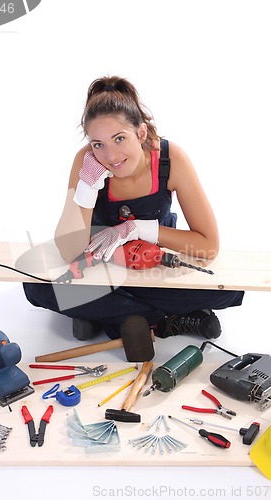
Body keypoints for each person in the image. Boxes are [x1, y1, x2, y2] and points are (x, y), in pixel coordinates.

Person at [23, 76, 244, 340]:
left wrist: (137, 228)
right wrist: (87, 187)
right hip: (101, 270)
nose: (111, 156)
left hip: (153, 268)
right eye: (98, 144)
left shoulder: (170, 159)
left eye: (119, 138)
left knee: (227, 290)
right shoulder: (87, 161)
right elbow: (70, 251)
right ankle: (165, 320)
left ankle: (102, 314)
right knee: (36, 287)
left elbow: (208, 247)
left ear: (140, 132)